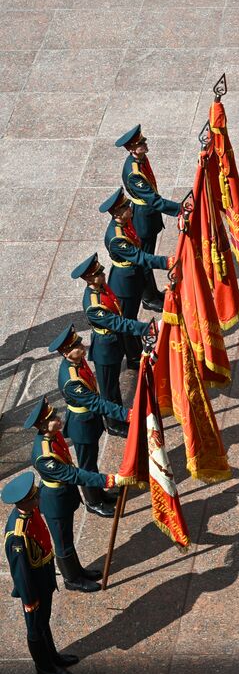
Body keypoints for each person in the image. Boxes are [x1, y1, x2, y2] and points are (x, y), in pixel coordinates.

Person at [25, 400, 130, 593]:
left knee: (68, 539)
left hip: (64, 495)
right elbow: (74, 474)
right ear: (42, 426)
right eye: (53, 419)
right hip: (55, 502)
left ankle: (78, 571)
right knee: (63, 543)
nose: (58, 419)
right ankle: (72, 579)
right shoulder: (45, 456)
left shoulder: (52, 437)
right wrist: (109, 480)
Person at [50, 324, 130, 517]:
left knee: (92, 462)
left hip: (89, 420)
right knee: (87, 465)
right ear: (66, 353)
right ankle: (93, 502)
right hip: (82, 424)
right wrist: (126, 414)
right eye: (76, 345)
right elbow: (95, 402)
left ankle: (99, 493)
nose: (82, 346)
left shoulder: (77, 362)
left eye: (79, 342)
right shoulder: (71, 381)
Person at [4, 472, 77, 674]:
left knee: (44, 622)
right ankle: (44, 667)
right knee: (35, 628)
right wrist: (29, 601)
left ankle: (52, 656)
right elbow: (21, 572)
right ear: (25, 502)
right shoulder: (17, 534)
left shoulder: (30, 512)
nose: (38, 499)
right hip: (33, 586)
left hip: (44, 577)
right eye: (34, 497)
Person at [71, 254, 150, 436]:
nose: (103, 274)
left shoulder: (102, 289)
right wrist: (146, 328)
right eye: (98, 273)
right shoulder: (93, 305)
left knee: (113, 385)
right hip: (105, 349)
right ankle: (114, 424)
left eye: (101, 271)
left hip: (114, 342)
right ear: (88, 278)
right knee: (109, 389)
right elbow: (117, 323)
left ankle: (119, 417)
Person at [101, 188, 172, 368]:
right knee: (129, 320)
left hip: (134, 276)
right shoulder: (116, 238)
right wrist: (167, 262)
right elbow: (139, 256)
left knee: (131, 317)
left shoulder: (125, 223)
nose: (130, 208)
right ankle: (134, 358)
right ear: (117, 213)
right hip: (124, 284)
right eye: (126, 207)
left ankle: (137, 352)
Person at [115, 125, 181, 311]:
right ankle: (149, 298)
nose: (145, 144)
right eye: (140, 143)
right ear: (131, 149)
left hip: (149, 215)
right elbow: (153, 200)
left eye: (143, 141)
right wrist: (180, 209)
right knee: (145, 260)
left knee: (148, 257)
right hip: (143, 217)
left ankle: (153, 292)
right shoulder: (134, 172)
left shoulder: (141, 160)